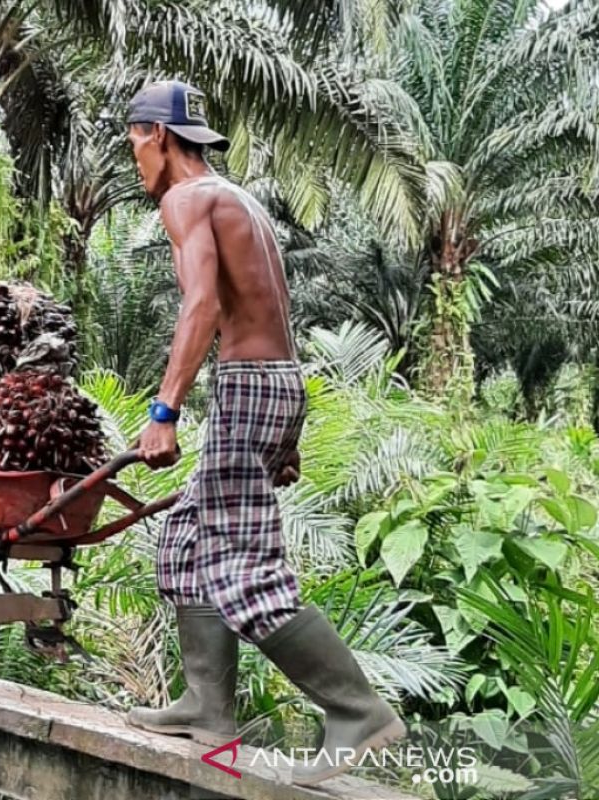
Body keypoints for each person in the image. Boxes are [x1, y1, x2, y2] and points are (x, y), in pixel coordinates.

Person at [123, 81, 405, 785]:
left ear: (158, 135)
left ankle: (357, 711)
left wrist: (164, 413)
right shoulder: (237, 197)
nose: (134, 157)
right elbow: (266, 309)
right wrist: (284, 430)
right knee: (186, 537)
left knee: (244, 565)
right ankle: (206, 705)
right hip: (275, 383)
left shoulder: (185, 200)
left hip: (249, 386)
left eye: (133, 140)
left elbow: (203, 306)